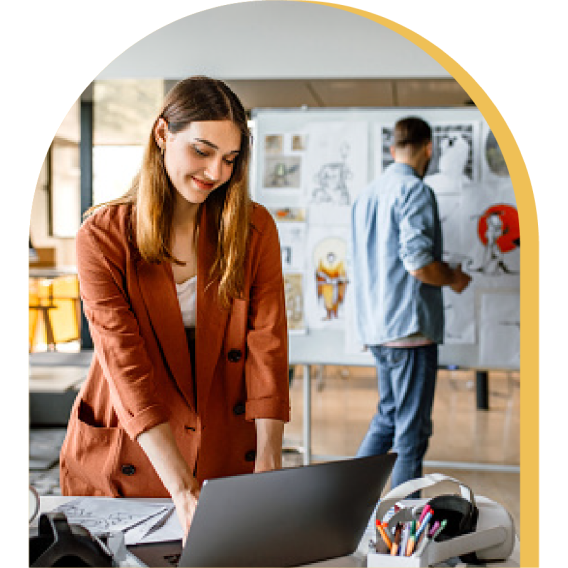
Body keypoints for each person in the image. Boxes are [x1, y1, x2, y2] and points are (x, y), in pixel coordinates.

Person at [59, 77, 290, 538]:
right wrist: (183, 491)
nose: (216, 172)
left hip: (223, 439)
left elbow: (267, 345)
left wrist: (269, 462)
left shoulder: (254, 228)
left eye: (230, 158)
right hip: (130, 446)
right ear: (162, 134)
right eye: (202, 151)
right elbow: (125, 367)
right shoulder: (102, 236)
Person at [351, 117, 471, 493]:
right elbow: (418, 264)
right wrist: (452, 278)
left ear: (392, 149)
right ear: (428, 149)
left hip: (377, 326)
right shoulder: (415, 191)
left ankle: (342, 505)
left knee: (388, 418)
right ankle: (404, 530)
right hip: (410, 329)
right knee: (411, 436)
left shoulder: (366, 195)